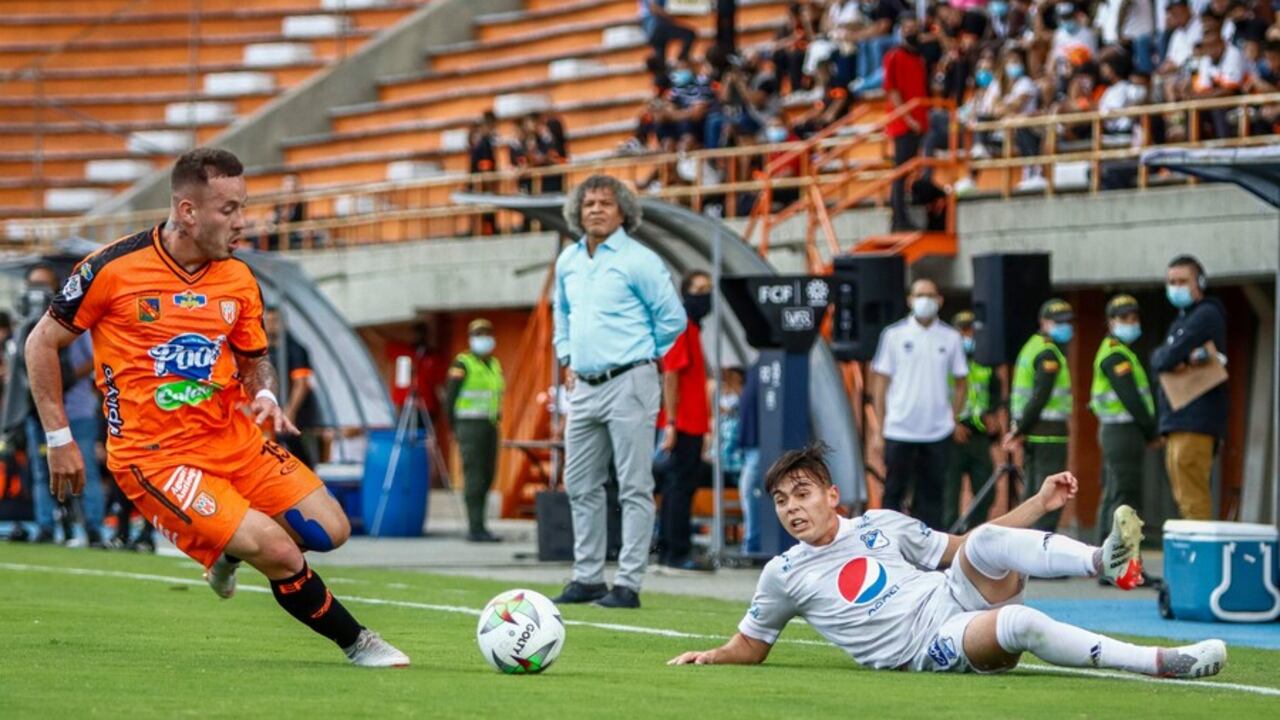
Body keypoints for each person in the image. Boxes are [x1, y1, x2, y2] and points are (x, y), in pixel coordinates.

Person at [25, 148, 409, 667]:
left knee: (330, 531)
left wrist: (267, 397)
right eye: (229, 210)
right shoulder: (110, 269)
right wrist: (59, 439)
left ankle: (226, 552)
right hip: (156, 456)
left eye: (243, 208)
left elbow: (255, 361)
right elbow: (39, 344)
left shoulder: (238, 279)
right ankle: (358, 642)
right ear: (187, 211)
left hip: (234, 440)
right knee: (278, 551)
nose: (241, 222)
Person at [667, 444, 1225, 679]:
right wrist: (712, 657)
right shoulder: (782, 573)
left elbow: (964, 548)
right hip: (926, 645)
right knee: (1020, 623)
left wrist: (1038, 504)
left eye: (803, 493)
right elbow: (753, 644)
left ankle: (1104, 561)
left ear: (832, 496)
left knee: (982, 540)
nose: (793, 508)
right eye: (783, 500)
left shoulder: (880, 523)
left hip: (952, 595)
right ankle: (1160, 662)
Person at [551, 174, 686, 609]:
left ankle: (628, 582)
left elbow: (673, 318)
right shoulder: (568, 261)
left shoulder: (640, 260)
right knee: (579, 482)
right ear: (578, 211)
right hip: (584, 387)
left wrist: (643, 356)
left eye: (605, 203)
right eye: (588, 203)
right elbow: (562, 313)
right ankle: (588, 576)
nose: (595, 209)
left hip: (630, 380)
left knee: (633, 485)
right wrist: (567, 355)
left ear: (623, 210)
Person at [871, 278, 968, 530]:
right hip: (899, 427)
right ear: (910, 300)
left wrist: (953, 417)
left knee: (932, 494)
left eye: (930, 294)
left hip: (937, 430)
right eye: (919, 294)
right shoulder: (893, 335)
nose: (924, 300)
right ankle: (888, 543)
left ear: (939, 300)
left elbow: (961, 381)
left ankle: (929, 550)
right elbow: (880, 382)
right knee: (894, 490)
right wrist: (879, 428)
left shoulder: (950, 337)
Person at [1151, 255, 1227, 521]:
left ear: (1200, 283)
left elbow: (1166, 358)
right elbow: (1158, 359)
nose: (1176, 287)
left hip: (1195, 419)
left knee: (1193, 500)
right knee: (1184, 498)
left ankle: (1200, 560)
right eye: (1171, 281)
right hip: (1180, 419)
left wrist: (1175, 359)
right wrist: (1177, 357)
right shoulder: (1181, 320)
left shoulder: (1206, 313)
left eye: (1182, 280)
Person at [1089, 295, 1160, 542]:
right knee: (1124, 497)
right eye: (1124, 318)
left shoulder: (1120, 352)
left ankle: (1107, 561)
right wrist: (1152, 431)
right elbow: (1131, 398)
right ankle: (1118, 564)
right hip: (1122, 432)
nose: (1131, 322)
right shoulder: (1115, 355)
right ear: (1110, 322)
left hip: (1119, 432)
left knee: (1115, 493)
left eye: (1134, 317)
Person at [656, 270, 711, 571]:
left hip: (693, 422)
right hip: (683, 423)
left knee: (681, 487)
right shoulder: (682, 328)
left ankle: (672, 548)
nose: (705, 296)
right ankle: (676, 550)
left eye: (708, 290)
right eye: (699, 289)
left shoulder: (692, 329)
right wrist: (672, 423)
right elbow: (671, 374)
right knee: (678, 487)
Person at [1004, 299, 1075, 533]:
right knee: (1050, 496)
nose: (1065, 326)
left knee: (1032, 495)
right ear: (1044, 323)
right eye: (1059, 322)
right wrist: (1019, 429)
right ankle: (1043, 561)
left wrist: (1020, 427)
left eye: (1067, 322)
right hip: (1048, 433)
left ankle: (1030, 559)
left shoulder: (1032, 345)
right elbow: (1040, 395)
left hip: (1033, 432)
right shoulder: (1049, 353)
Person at [446, 318, 505, 543]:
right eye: (479, 335)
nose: (484, 339)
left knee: (488, 475)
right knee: (474, 476)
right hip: (469, 426)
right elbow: (450, 398)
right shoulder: (462, 364)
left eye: (487, 334)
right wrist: (454, 428)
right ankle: (475, 527)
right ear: (471, 338)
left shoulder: (494, 364)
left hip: (489, 425)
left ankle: (482, 525)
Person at [945, 311, 1002, 531]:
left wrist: (994, 416)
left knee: (987, 492)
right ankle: (949, 537)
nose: (968, 336)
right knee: (949, 494)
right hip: (951, 436)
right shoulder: (945, 364)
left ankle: (971, 532)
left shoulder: (985, 362)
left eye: (972, 331)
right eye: (964, 331)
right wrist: (952, 424)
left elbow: (994, 394)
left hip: (979, 435)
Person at [883, 12, 929, 232]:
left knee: (908, 172)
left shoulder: (919, 58)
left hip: (919, 122)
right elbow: (892, 91)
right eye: (907, 29)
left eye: (914, 28)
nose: (911, 32)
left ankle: (902, 217)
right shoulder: (894, 56)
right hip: (903, 124)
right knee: (900, 173)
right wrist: (908, 118)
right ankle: (898, 219)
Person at [264, 306, 319, 469]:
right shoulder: (264, 350)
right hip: (274, 413)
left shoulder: (295, 349)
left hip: (295, 414)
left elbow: (301, 384)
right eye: (267, 321)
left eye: (275, 321)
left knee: (297, 452)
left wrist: (290, 411)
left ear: (284, 323)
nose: (271, 325)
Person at [640, 0, 697, 75]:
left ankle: (662, 78)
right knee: (689, 34)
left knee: (660, 62)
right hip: (656, 26)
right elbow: (653, 7)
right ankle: (681, 61)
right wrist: (670, 18)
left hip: (653, 28)